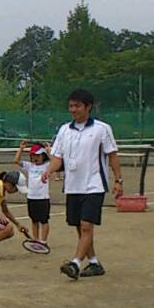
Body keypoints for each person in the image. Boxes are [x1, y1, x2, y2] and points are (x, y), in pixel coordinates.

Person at [43, 88, 124, 280]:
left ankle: (75, 263)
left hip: (94, 185)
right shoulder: (64, 130)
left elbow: (112, 155)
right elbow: (57, 157)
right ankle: (94, 262)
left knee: (87, 225)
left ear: (88, 107)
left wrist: (118, 180)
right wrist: (49, 171)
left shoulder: (102, 129)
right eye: (71, 106)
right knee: (80, 226)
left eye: (77, 106)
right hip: (72, 186)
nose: (73, 109)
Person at [14, 141, 51, 246]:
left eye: (38, 155)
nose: (35, 157)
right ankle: (36, 240)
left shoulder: (47, 166)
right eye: (33, 155)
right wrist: (21, 148)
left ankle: (43, 241)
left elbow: (55, 161)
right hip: (31, 197)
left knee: (44, 221)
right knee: (34, 220)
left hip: (43, 198)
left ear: (43, 156)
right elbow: (16, 161)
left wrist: (49, 150)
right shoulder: (29, 166)